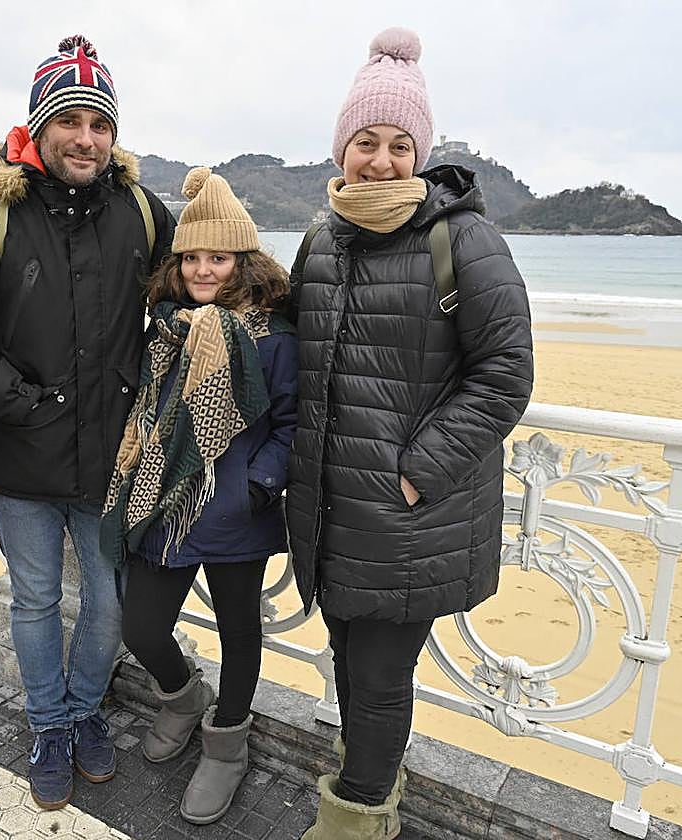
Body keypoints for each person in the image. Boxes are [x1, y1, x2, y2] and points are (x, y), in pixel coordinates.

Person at [287, 28, 534, 839]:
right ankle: (370, 795)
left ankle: (356, 819)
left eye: (400, 145)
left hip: (408, 510)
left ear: (420, 154)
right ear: (342, 147)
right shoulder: (323, 239)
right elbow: (294, 345)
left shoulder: (461, 237)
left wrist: (417, 471)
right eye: (367, 142)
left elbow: (505, 373)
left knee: (382, 673)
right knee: (353, 666)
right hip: (332, 505)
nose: (382, 160)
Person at [0, 35, 175, 809]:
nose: (86, 137)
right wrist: (17, 399)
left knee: (107, 601)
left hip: (111, 454)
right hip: (23, 454)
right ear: (38, 126)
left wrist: (153, 378)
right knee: (34, 598)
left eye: (99, 123)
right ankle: (49, 725)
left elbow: (185, 295)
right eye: (69, 119)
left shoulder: (140, 209)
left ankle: (86, 713)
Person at [101, 168, 297, 824]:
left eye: (218, 257)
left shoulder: (274, 335)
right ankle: (182, 697)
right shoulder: (165, 323)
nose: (204, 270)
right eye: (192, 258)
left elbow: (295, 424)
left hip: (237, 510)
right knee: (143, 628)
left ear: (244, 260)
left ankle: (226, 746)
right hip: (165, 502)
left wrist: (258, 486)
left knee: (240, 630)